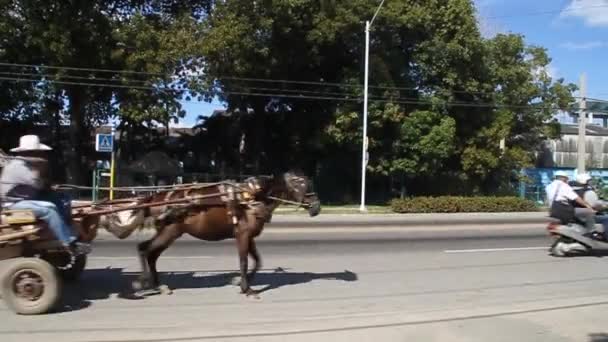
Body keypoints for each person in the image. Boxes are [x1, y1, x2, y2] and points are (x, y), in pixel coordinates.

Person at [0, 135, 90, 255]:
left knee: (64, 198)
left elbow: (41, 186)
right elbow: (37, 184)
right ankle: (68, 242)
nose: (41, 154)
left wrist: (50, 186)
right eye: (37, 152)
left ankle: (64, 228)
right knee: (49, 209)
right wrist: (41, 168)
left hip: (27, 198)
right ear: (29, 152)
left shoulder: (27, 165)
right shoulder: (18, 166)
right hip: (14, 203)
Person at [571, 173, 608, 241]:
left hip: (577, 215)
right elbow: (594, 205)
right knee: (606, 218)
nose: (591, 182)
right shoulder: (588, 192)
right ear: (585, 181)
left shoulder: (573, 190)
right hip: (587, 216)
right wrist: (604, 205)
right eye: (589, 180)